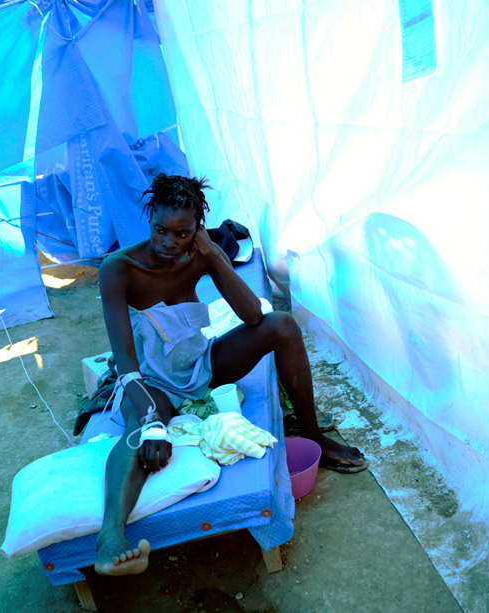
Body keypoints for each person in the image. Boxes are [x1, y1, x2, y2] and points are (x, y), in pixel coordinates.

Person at [94, 174, 367, 576]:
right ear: (150, 218)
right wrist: (152, 420)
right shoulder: (119, 269)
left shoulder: (199, 254)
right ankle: (110, 539)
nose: (169, 242)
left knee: (282, 326)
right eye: (161, 230)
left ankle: (314, 438)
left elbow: (254, 316)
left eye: (182, 234)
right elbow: (125, 361)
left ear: (197, 231)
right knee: (141, 431)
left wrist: (213, 255)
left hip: (201, 363)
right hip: (151, 380)